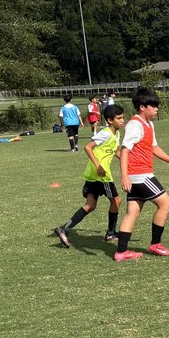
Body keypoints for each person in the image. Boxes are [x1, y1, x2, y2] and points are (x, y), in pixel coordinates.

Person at [113, 87, 169, 261]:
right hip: (140, 175)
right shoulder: (135, 125)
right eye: (153, 105)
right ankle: (156, 244)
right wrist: (124, 176)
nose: (156, 109)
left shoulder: (148, 124)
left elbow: (153, 147)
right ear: (142, 107)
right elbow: (124, 151)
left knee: (133, 212)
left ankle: (121, 252)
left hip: (137, 176)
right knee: (166, 204)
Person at [54, 104, 125, 248]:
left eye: (123, 117)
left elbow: (116, 151)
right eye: (119, 118)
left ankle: (64, 229)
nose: (123, 120)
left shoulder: (116, 133)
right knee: (116, 201)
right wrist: (99, 166)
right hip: (101, 174)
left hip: (93, 174)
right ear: (110, 120)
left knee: (90, 205)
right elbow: (88, 147)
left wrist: (129, 162)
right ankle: (111, 233)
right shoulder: (106, 133)